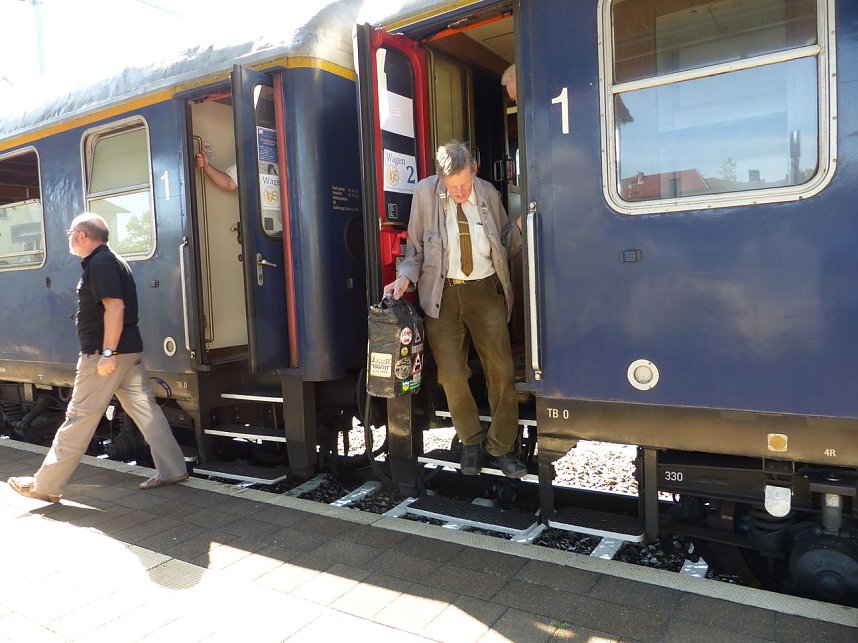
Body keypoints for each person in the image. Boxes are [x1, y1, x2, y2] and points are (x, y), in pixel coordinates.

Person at [7, 213, 188, 502]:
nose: (67, 237)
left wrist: (106, 353)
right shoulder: (113, 260)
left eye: (69, 233)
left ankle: (45, 486)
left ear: (82, 235)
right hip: (128, 351)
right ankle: (173, 469)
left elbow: (114, 307)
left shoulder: (101, 263)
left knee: (78, 417)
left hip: (108, 355)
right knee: (146, 411)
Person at [384, 141, 526, 478]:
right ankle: (471, 440)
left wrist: (520, 228)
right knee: (450, 375)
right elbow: (415, 250)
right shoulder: (425, 194)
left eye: (464, 185)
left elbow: (506, 241)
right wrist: (404, 279)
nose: (460, 192)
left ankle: (502, 447)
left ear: (473, 170)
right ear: (441, 178)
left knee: (502, 370)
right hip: (442, 294)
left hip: (485, 290)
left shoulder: (489, 193)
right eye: (453, 187)